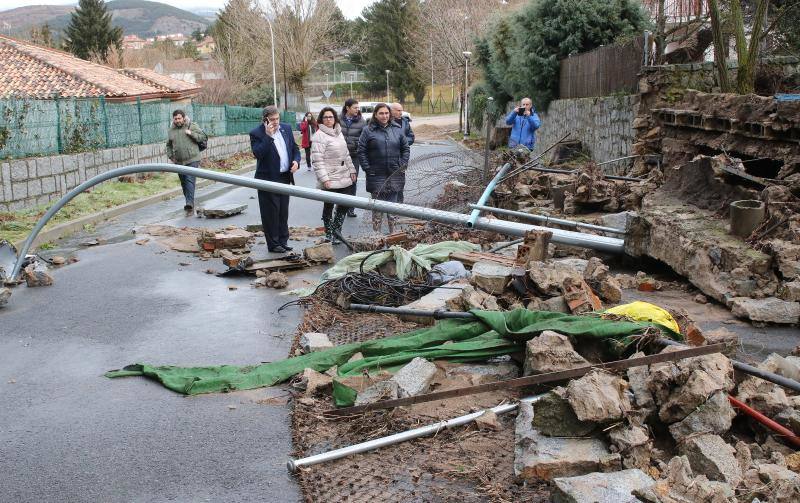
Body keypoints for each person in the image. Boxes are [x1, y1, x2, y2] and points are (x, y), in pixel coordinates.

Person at [249, 105, 301, 254]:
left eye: (277, 118)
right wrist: (268, 136)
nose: (276, 122)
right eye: (272, 120)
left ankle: (283, 241)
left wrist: (296, 161)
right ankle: (273, 244)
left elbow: (295, 149)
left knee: (283, 212)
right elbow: (258, 154)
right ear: (265, 120)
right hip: (267, 179)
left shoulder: (286, 128)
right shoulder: (256, 133)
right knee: (270, 213)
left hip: (285, 177)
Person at [357, 102, 409, 233]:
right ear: (375, 114)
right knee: (378, 209)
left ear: (390, 114)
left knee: (393, 209)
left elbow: (405, 148)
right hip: (376, 175)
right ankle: (377, 237)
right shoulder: (368, 130)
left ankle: (393, 235)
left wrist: (402, 165)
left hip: (395, 174)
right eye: (381, 113)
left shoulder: (397, 129)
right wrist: (367, 168)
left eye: (386, 113)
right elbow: (361, 151)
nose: (384, 116)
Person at [310, 107, 357, 244]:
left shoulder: (338, 132)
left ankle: (337, 231)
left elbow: (346, 154)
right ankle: (329, 233)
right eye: (325, 117)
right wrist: (324, 179)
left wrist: (352, 170)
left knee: (344, 205)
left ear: (335, 118)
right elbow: (317, 160)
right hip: (330, 177)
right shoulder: (319, 135)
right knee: (329, 206)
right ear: (321, 120)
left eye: (331, 117)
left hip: (344, 175)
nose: (329, 120)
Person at [166, 109, 207, 214]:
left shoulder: (191, 125)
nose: (177, 120)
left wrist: (191, 133)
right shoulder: (171, 130)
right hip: (179, 161)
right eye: (175, 119)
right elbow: (169, 145)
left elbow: (203, 137)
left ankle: (189, 203)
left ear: (183, 118)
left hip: (192, 158)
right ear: (173, 119)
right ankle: (189, 201)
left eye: (179, 118)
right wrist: (171, 156)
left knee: (189, 179)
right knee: (184, 182)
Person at [340, 98, 366, 218]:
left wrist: (357, 145)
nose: (357, 110)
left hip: (354, 155)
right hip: (339, 156)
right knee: (339, 180)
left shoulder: (361, 121)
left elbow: (364, 138)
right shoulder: (338, 120)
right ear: (347, 108)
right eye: (355, 107)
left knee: (352, 181)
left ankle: (350, 208)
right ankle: (340, 205)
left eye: (358, 107)